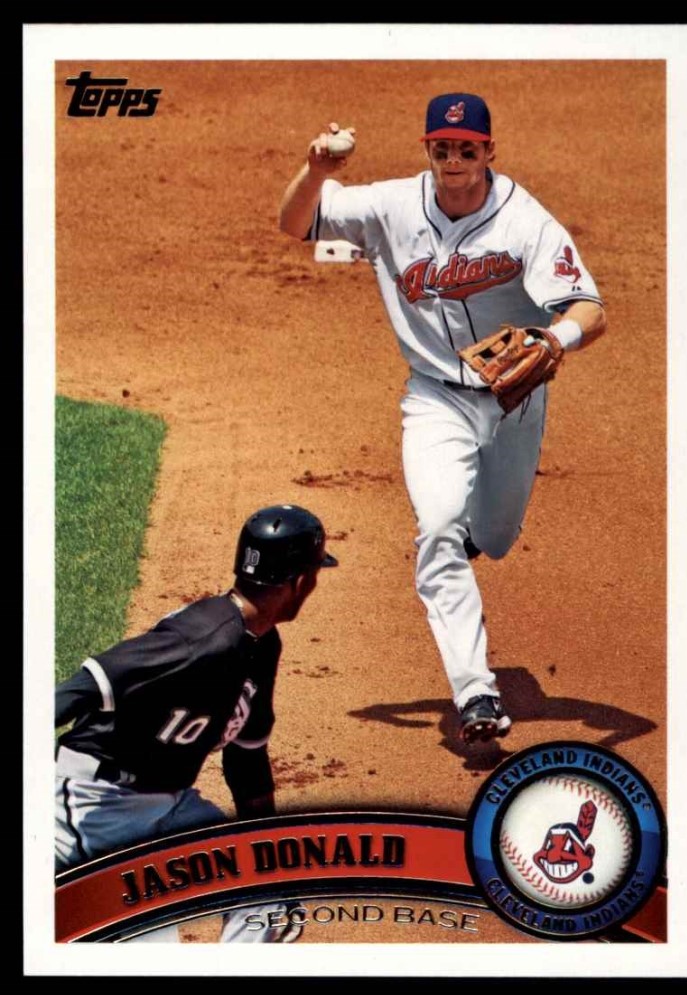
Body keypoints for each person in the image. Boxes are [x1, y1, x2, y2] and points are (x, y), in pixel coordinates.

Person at [279, 92, 606, 745]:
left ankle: (468, 536)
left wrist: (552, 339)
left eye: (466, 149)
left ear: (488, 151)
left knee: (495, 535)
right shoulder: (392, 205)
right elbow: (296, 222)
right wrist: (316, 169)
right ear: (428, 150)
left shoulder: (525, 220)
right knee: (436, 530)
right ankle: (475, 691)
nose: (454, 159)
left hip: (514, 399)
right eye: (442, 148)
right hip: (433, 398)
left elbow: (589, 310)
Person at [55, 504, 337, 941]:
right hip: (98, 804)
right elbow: (80, 688)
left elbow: (246, 761)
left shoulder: (262, 645)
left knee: (267, 886)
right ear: (301, 582)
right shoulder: (199, 637)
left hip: (170, 804)